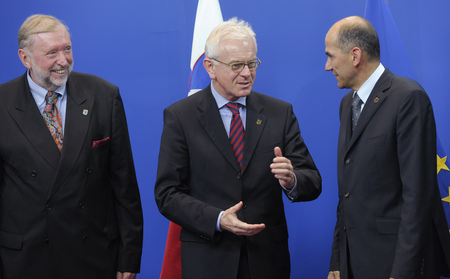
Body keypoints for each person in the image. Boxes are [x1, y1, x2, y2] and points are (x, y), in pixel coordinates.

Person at [155, 18, 321, 279]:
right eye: (236, 65)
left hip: (266, 261)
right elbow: (167, 194)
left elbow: (312, 181)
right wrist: (218, 218)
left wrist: (292, 179)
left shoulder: (280, 113)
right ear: (210, 67)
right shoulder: (181, 116)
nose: (247, 73)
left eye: (252, 63)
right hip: (208, 260)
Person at [0, 14, 143, 279]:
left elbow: (124, 186)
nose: (63, 61)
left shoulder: (103, 95)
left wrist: (129, 257)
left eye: (67, 49)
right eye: (51, 52)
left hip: (94, 255)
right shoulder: (2, 104)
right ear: (25, 58)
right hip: (26, 259)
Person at [324, 16, 450, 279]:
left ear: (355, 55)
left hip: (395, 263)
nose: (327, 66)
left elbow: (417, 197)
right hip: (354, 263)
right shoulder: (347, 104)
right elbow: (347, 192)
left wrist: (403, 272)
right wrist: (338, 260)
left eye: (331, 56)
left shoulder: (408, 97)